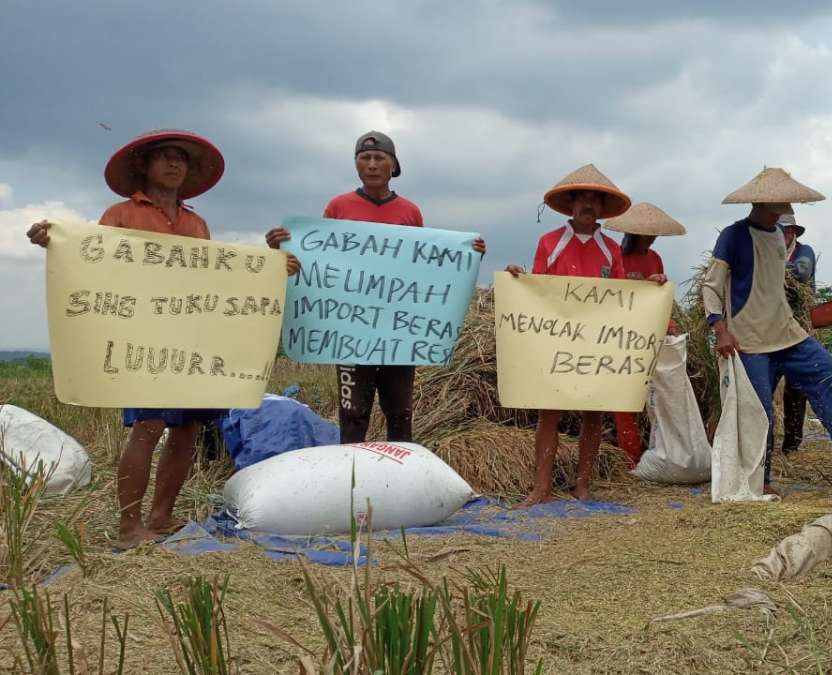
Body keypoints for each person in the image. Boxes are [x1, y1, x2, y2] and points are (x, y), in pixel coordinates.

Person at [26, 129, 271, 549]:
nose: (174, 164)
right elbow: (91, 260)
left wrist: (271, 267)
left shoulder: (196, 223)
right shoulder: (121, 214)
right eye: (165, 157)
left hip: (190, 339)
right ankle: (128, 527)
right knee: (148, 425)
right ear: (145, 166)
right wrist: (55, 242)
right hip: (142, 342)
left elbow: (215, 279)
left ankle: (161, 514)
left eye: (181, 158)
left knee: (188, 427)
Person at [265, 131, 486, 444]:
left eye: (379, 158)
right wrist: (281, 247)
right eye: (364, 158)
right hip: (350, 332)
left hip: (398, 332)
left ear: (393, 165)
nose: (371, 164)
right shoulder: (338, 206)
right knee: (353, 413)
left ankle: (397, 484)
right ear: (356, 164)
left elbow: (423, 266)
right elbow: (317, 261)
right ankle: (351, 485)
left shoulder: (409, 212)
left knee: (400, 413)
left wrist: (467, 254)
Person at [505, 164, 666, 506]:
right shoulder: (549, 243)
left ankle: (583, 485)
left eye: (595, 200)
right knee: (549, 413)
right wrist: (517, 279)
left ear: (601, 209)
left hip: (597, 346)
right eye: (582, 198)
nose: (588, 205)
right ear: (572, 204)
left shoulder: (610, 249)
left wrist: (649, 288)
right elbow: (538, 291)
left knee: (594, 413)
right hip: (558, 342)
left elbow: (623, 297)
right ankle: (541, 487)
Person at [701, 167, 832, 494]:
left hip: (787, 333)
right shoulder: (733, 236)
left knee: (831, 375)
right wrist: (720, 329)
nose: (786, 205)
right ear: (762, 202)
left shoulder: (779, 235)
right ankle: (759, 482)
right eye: (779, 200)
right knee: (759, 410)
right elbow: (711, 285)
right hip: (749, 339)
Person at [604, 202, 686, 468]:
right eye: (647, 232)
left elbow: (659, 297)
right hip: (620, 334)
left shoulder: (655, 258)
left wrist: (667, 322)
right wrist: (643, 286)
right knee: (625, 397)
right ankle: (631, 456)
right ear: (633, 232)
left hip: (650, 334)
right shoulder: (615, 256)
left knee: (657, 394)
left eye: (655, 233)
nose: (652, 237)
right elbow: (611, 294)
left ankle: (662, 450)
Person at [778, 213, 816, 454]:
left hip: (798, 327)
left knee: (796, 389)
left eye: (781, 231)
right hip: (768, 328)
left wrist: (768, 267)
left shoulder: (804, 252)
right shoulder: (767, 251)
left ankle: (791, 446)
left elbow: (801, 273)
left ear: (792, 232)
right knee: (763, 385)